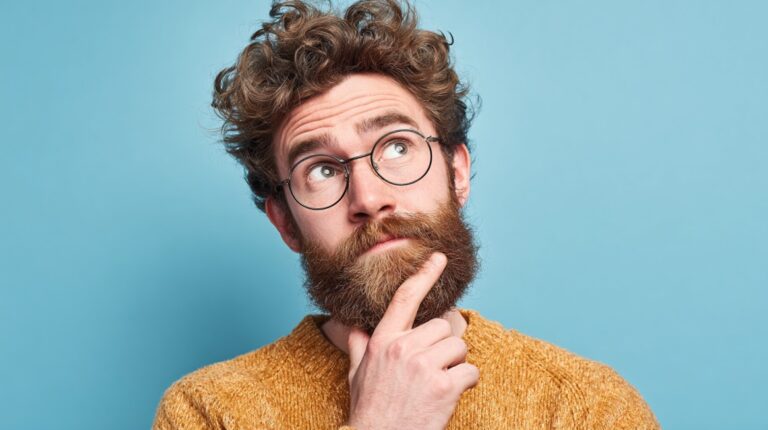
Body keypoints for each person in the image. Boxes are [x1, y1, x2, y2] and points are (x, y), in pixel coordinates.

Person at [152, 1, 660, 428]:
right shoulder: (208, 413)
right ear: (286, 223)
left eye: (396, 147)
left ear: (456, 174)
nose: (369, 198)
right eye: (322, 170)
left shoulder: (588, 408)